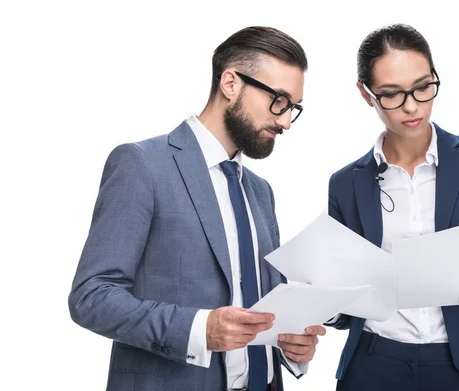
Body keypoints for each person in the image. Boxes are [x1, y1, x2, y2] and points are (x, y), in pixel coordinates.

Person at [68, 26, 325, 391]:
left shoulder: (260, 191)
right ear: (231, 83)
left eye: (292, 108)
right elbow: (91, 297)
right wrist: (198, 330)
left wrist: (293, 346)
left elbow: (263, 305)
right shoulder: (142, 165)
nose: (285, 120)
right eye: (278, 101)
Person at [327, 24, 459, 390]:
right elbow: (347, 304)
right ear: (366, 94)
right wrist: (322, 303)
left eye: (423, 87)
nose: (411, 106)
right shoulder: (346, 183)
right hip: (374, 364)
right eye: (391, 94)